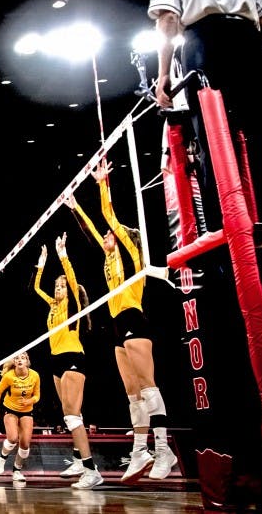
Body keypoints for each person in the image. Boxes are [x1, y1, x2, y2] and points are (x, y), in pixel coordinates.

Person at [149, 0, 262, 234]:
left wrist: (163, 74)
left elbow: (168, 17)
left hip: (206, 43)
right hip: (248, 41)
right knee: (254, 130)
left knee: (212, 138)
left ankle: (223, 229)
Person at [65, 160, 176, 482]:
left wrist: (103, 184)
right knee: (133, 395)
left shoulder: (130, 252)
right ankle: (140, 450)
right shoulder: (109, 257)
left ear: (123, 238)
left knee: (149, 389)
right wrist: (74, 208)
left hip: (133, 318)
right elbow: (91, 233)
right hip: (116, 325)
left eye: (110, 234)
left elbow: (108, 217)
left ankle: (164, 448)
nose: (106, 236)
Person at [32, 236, 103, 489]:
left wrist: (62, 255)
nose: (57, 289)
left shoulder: (72, 305)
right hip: (55, 360)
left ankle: (91, 470)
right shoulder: (52, 305)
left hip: (73, 356)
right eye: (57, 286)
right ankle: (77, 459)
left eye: (61, 286)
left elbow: (72, 280)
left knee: (73, 415)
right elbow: (36, 289)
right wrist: (40, 265)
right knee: (69, 413)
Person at [0, 352, 41, 483]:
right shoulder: (9, 376)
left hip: (27, 411)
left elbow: (37, 396)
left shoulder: (35, 375)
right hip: (10, 409)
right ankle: (2, 458)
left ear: (27, 361)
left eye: (23, 358)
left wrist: (30, 401)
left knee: (25, 444)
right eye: (17, 358)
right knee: (13, 438)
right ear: (14, 362)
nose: (20, 360)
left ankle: (17, 471)